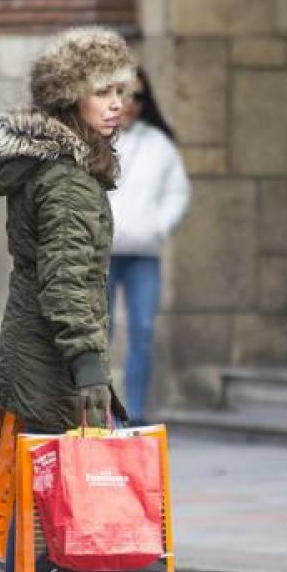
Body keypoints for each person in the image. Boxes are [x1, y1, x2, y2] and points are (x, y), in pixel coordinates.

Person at [0, 26, 133, 572]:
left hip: (36, 358)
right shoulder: (68, 180)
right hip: (51, 368)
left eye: (121, 89)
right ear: (72, 98)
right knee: (53, 518)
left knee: (40, 510)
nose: (116, 103)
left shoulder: (59, 168)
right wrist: (89, 371)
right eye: (102, 91)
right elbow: (66, 283)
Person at [107, 67, 190, 425]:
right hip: (102, 255)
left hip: (144, 254)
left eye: (137, 97)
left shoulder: (159, 144)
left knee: (142, 330)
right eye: (123, 94)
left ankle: (136, 412)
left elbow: (178, 192)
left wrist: (158, 227)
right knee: (98, 333)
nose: (129, 103)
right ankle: (98, 411)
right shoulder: (94, 140)